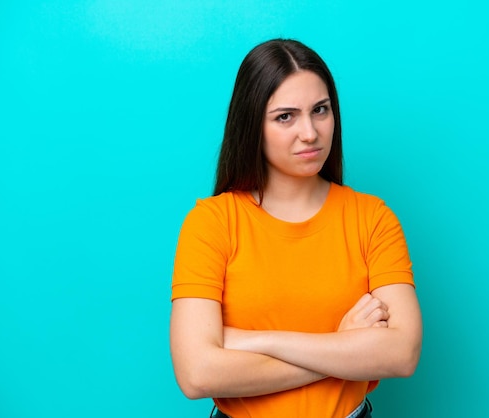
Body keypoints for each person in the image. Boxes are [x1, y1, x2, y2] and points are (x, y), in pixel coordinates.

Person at [170, 38, 422, 418]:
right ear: (252, 123)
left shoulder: (372, 218)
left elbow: (402, 355)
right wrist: (343, 346)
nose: (310, 133)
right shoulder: (212, 223)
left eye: (320, 110)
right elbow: (198, 375)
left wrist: (255, 342)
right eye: (285, 116)